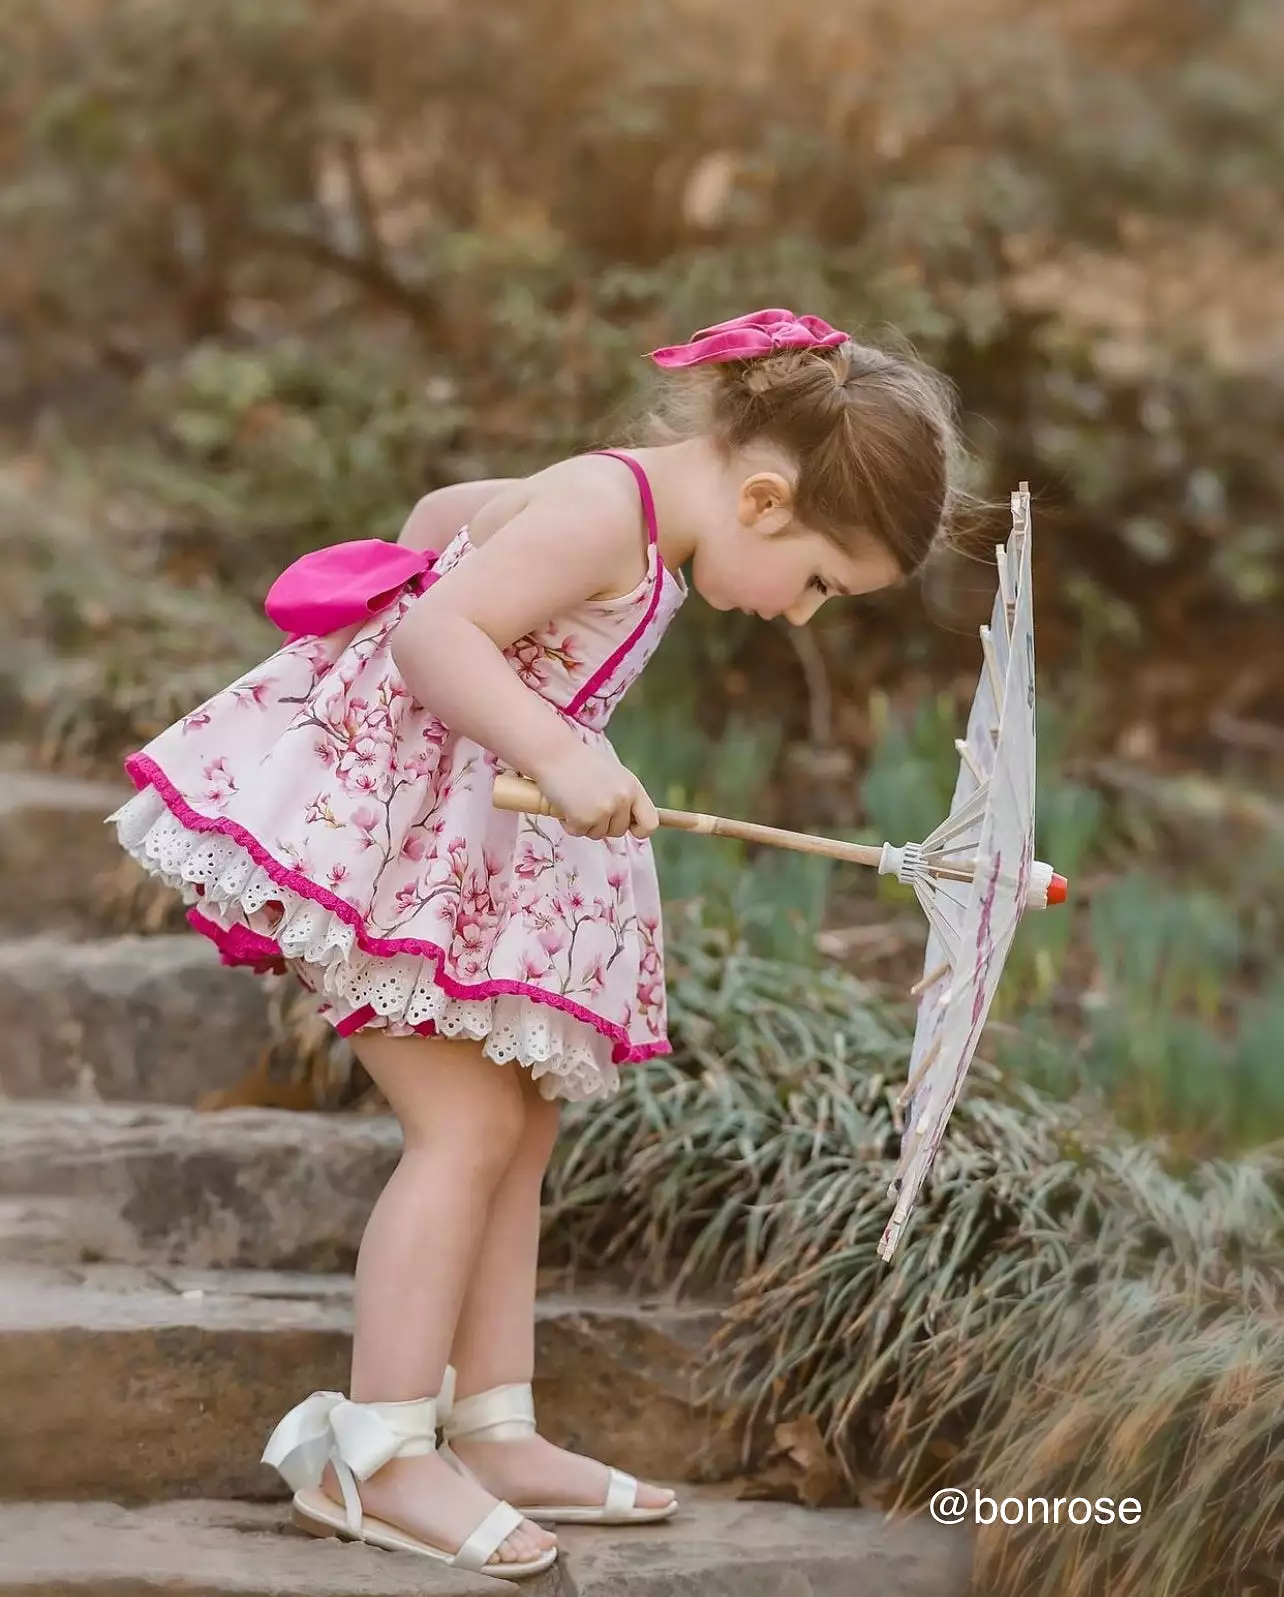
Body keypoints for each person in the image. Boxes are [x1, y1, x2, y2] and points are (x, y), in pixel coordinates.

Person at [108, 308, 965, 1578]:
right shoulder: (608, 511)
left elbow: (435, 521)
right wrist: (556, 745)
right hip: (389, 853)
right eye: (824, 582)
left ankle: (490, 1422)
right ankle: (379, 1453)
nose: (802, 617)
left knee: (521, 1124)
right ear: (770, 498)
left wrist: (494, 632)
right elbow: (430, 632)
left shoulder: (620, 516)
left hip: (458, 849)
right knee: (463, 1130)